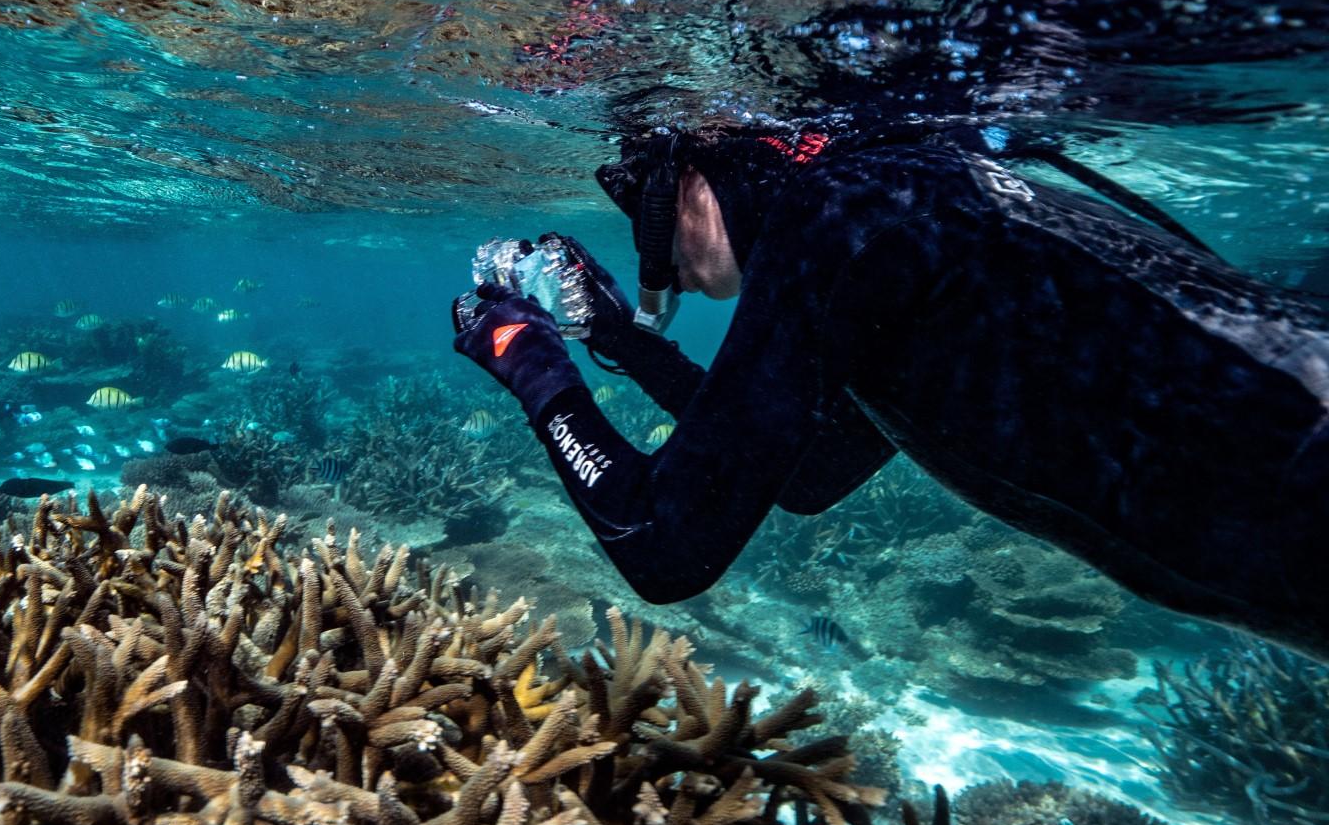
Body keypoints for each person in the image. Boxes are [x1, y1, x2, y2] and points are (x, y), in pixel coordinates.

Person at [451, 124, 1329, 658]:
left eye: (636, 183)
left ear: (696, 164)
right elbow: (811, 469)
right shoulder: (890, 197)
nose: (637, 218)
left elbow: (661, 545)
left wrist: (528, 358)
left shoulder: (834, 211)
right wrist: (617, 341)